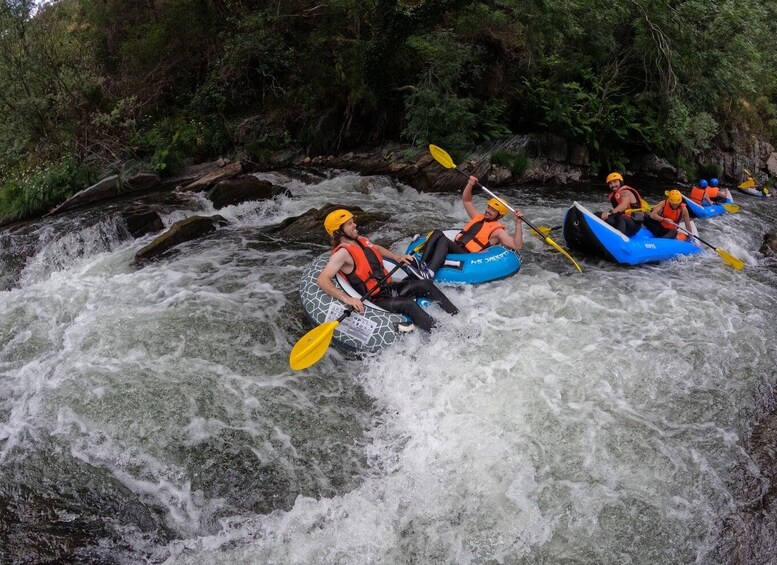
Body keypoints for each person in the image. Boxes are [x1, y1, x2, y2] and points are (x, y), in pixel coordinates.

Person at [317, 209, 458, 332]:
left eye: (353, 221)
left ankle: (456, 315)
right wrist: (348, 299)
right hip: (375, 299)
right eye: (349, 224)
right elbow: (322, 280)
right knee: (408, 304)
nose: (355, 225)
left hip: (388, 288)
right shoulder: (341, 254)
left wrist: (397, 258)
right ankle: (443, 333)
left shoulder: (360, 240)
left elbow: (376, 248)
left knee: (425, 284)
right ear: (338, 232)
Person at [415, 175, 524, 279]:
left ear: (499, 215)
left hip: (467, 255)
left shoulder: (498, 232)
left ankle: (430, 273)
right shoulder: (478, 217)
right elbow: (467, 201)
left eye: (492, 210)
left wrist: (518, 223)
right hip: (457, 246)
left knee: (443, 240)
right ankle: (421, 265)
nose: (488, 211)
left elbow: (516, 245)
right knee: (437, 232)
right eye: (488, 207)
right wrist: (470, 184)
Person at [598, 172, 646, 236]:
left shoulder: (625, 192)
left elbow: (624, 205)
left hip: (634, 224)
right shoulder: (614, 195)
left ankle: (619, 238)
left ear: (620, 182)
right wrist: (604, 215)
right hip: (621, 221)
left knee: (620, 217)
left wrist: (609, 213)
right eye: (610, 183)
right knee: (598, 214)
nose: (613, 185)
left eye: (615, 182)